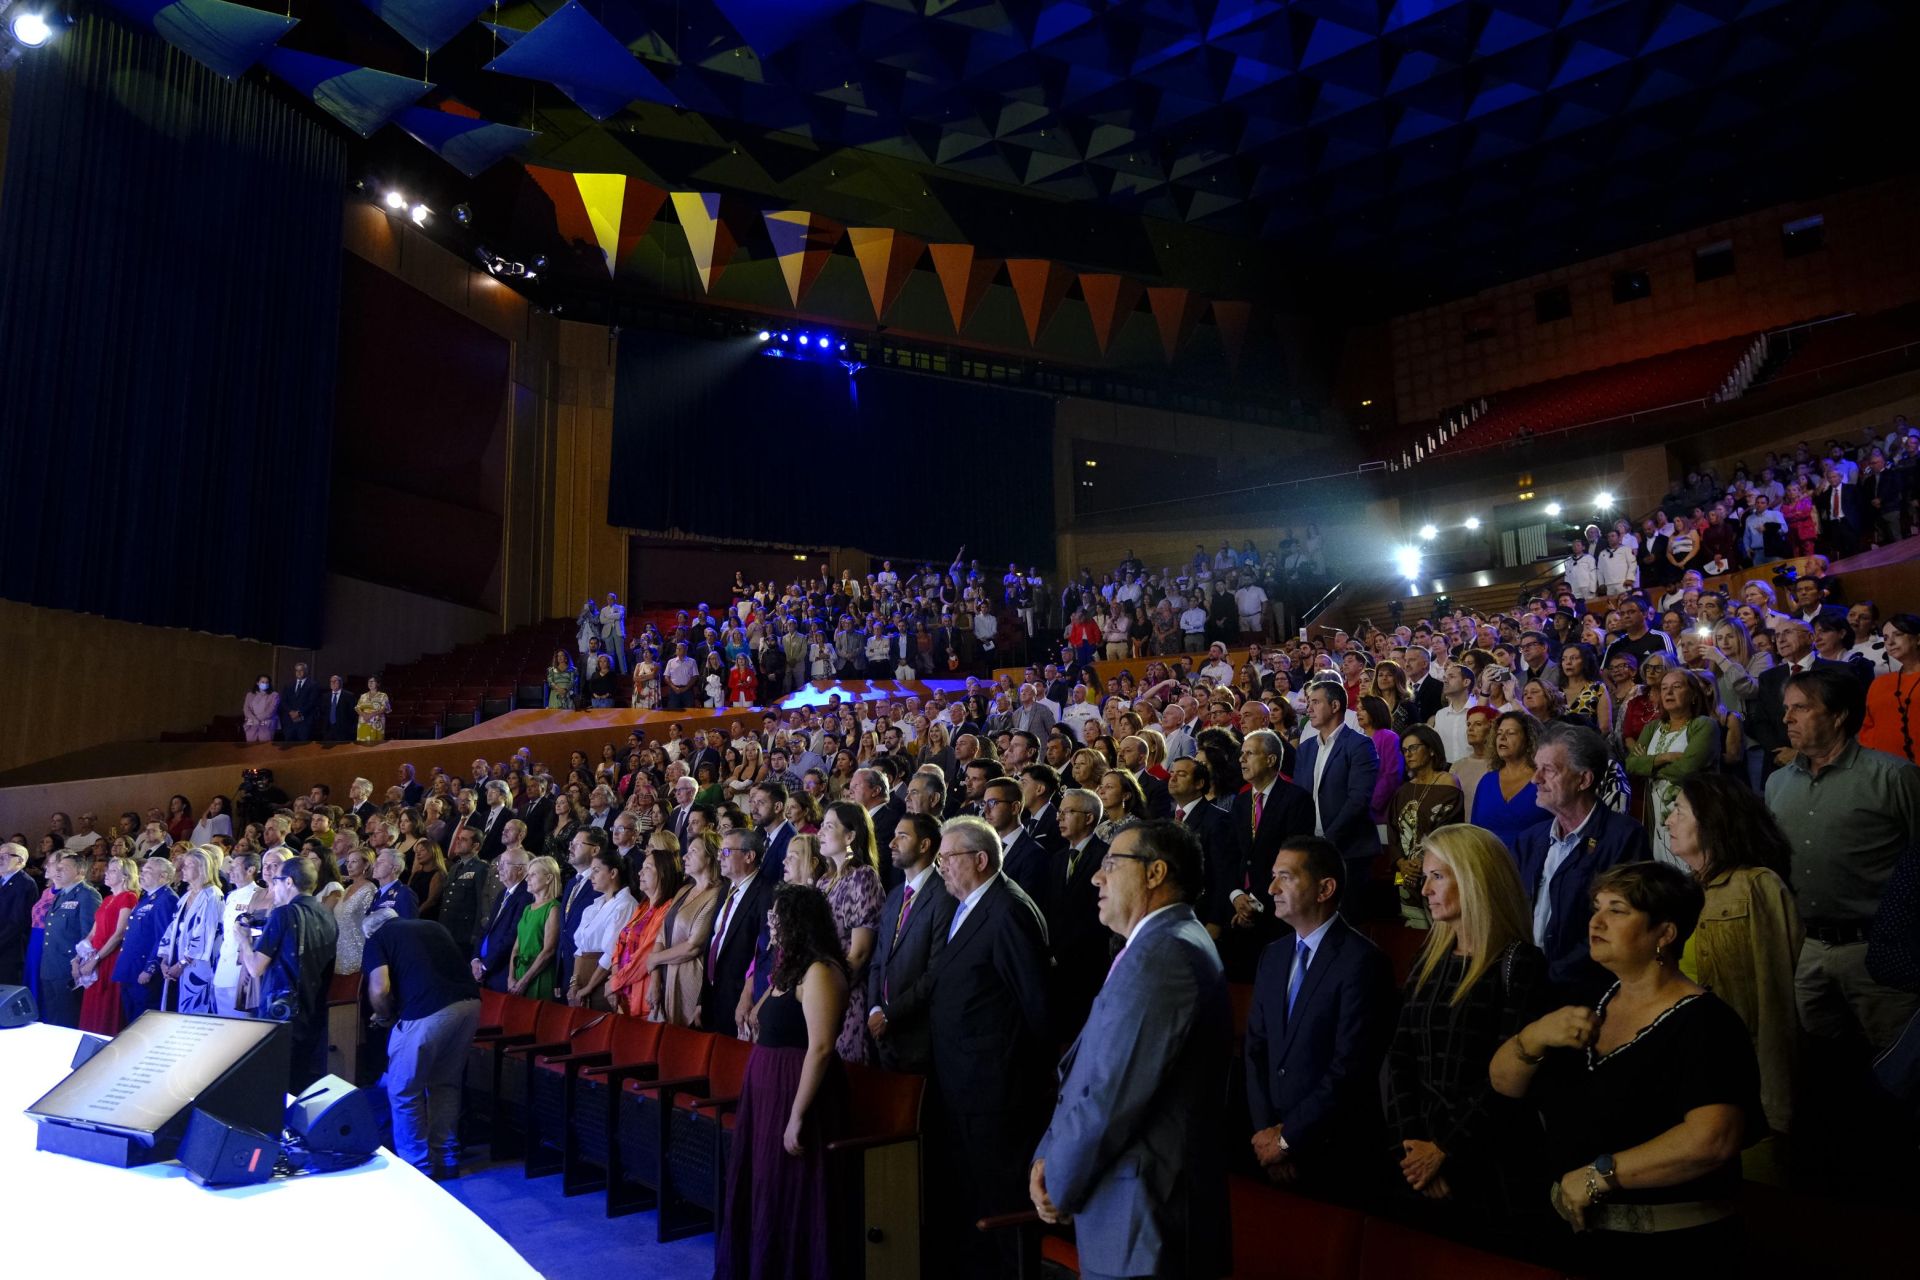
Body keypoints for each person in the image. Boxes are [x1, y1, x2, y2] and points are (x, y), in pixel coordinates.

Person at [1491, 862, 1762, 1274]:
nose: (1596, 921)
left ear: (1665, 934)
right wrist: (1533, 1037)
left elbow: (1713, 1139)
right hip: (1576, 1238)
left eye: (1617, 910)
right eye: (1597, 907)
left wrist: (1598, 1176)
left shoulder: (1706, 1022)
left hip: (1673, 1249)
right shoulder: (1588, 1003)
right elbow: (1504, 1085)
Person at [1027, 819, 1232, 1277]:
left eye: (1111, 864)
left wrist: (1057, 1178)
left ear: (1155, 873)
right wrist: (1048, 1154)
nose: (1098, 877)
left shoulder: (1165, 954)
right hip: (1129, 1209)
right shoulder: (1157, 945)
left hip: (1146, 1218)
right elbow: (1087, 1070)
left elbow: (1110, 1093)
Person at [1382, 825, 1550, 1251]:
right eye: (1427, 876)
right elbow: (1399, 1057)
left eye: (1438, 876)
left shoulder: (1519, 963)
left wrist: (1445, 1152)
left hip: (1487, 1172)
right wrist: (1414, 1149)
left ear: (1475, 879)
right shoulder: (1429, 955)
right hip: (1415, 1167)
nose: (1425, 890)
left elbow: (1507, 1081)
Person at [1766, 665, 1920, 1054]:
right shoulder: (1776, 783)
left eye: (1800, 708)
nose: (1787, 718)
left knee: (1895, 1067)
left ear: (1838, 715)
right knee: (1823, 1067)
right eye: (1786, 708)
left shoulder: (1893, 777)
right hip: (1807, 949)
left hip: (1877, 951)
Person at [926, 815, 1052, 1274]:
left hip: (996, 1091)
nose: (940, 866)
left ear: (980, 860)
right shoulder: (968, 905)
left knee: (999, 1203)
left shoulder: (1008, 910)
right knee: (971, 1198)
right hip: (963, 1082)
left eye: (948, 857)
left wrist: (1017, 1079)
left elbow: (1038, 1006)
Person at [1662, 774, 1803, 1183]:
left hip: (1747, 1090)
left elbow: (1777, 1002)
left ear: (1713, 822)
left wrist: (1777, 1108)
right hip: (1694, 1078)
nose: (1669, 820)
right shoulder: (1687, 892)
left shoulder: (1756, 886)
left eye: (1679, 811)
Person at [1245, 834, 1396, 1203]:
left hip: (1331, 1148)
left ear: (1324, 888)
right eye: (1272, 876)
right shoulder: (1273, 955)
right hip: (1267, 1144)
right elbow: (1255, 1047)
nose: (1271, 888)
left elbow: (1350, 1067)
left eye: (1286, 877)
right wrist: (1267, 1133)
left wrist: (1288, 1139)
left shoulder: (1363, 961)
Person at [715, 884, 851, 1280]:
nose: (771, 924)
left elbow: (822, 1047)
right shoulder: (788, 969)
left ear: (798, 923)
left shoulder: (821, 971)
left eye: (778, 918)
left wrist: (797, 1115)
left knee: (793, 1192)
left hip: (798, 1093)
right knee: (765, 1189)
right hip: (767, 1090)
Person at [1516, 723, 1653, 1001]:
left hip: (1587, 996)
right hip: (1526, 990)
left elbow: (1618, 926)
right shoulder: (1530, 840)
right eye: (1536, 767)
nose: (1535, 779)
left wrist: (1550, 977)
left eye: (1549, 770)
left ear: (1584, 780)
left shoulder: (1623, 837)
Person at [365, 916, 482, 1181]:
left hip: (427, 1012)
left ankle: (416, 1167)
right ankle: (446, 1158)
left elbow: (380, 989)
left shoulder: (377, 938)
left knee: (404, 1089)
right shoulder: (433, 926)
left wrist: (386, 1016)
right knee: (445, 1085)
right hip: (469, 1005)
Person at [865, 812, 956, 1074]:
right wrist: (874, 1007)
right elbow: (879, 959)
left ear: (925, 845)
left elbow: (934, 972)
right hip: (881, 1031)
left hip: (915, 1035)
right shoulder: (895, 896)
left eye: (902, 837)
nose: (892, 843)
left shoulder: (945, 896)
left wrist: (889, 1015)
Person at [244, 856, 340, 1089]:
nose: (273, 887)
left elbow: (255, 967)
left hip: (281, 1010)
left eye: (275, 880)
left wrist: (242, 940)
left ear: (288, 882)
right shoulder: (328, 915)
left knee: (272, 1085)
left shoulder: (283, 914)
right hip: (312, 1010)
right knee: (298, 1081)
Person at [1296, 680, 1383, 908]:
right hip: (1313, 852)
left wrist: (1328, 841)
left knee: (1347, 922)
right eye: (1308, 703)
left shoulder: (1360, 745)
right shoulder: (1305, 749)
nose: (1309, 709)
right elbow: (1299, 799)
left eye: (1315, 702)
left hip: (1349, 852)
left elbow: (1358, 800)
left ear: (1335, 706)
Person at [1628, 669, 1719, 866]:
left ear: (1693, 694)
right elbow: (1631, 765)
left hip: (1692, 814)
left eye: (1677, 687)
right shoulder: (1652, 728)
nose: (1669, 693)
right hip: (1657, 817)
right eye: (1664, 688)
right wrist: (1665, 757)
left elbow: (1687, 770)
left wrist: (1649, 766)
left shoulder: (1704, 725)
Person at [815, 802, 883, 1061]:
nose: (820, 832)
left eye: (829, 826)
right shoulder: (823, 880)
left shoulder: (862, 877)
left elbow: (860, 953)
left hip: (844, 998)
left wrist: (829, 995)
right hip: (819, 992)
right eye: (821, 826)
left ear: (851, 836)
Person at [1386, 725, 1464, 928]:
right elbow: (1392, 830)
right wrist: (1401, 863)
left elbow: (1447, 830)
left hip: (1436, 869)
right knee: (1407, 925)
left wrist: (1421, 863)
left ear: (1431, 749)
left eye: (1413, 748)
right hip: (1403, 871)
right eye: (1404, 750)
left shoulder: (1448, 783)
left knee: (1438, 930)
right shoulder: (1404, 790)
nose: (1408, 754)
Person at [704, 827, 778, 1039]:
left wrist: (748, 995)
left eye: (726, 852)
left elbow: (764, 952)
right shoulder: (725, 890)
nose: (720, 857)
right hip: (713, 994)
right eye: (720, 852)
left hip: (740, 998)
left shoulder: (767, 894)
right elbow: (713, 943)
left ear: (749, 856)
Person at [643, 831, 720, 1024]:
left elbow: (694, 945)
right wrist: (655, 979)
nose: (685, 856)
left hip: (690, 980)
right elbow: (662, 933)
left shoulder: (717, 895)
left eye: (693, 851)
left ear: (711, 857)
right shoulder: (685, 889)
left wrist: (654, 959)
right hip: (666, 978)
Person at [604, 843, 679, 1017]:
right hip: (623, 989)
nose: (640, 872)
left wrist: (615, 983)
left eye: (648, 868)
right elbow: (620, 943)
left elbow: (645, 955)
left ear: (663, 873)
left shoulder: (667, 909)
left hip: (642, 992)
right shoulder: (643, 906)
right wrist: (616, 979)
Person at [156, 846, 223, 1014]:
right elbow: (173, 928)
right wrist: (165, 959)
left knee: (196, 1010)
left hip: (198, 966)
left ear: (201, 867)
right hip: (179, 962)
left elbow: (204, 935)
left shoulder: (212, 896)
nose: (181, 868)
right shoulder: (186, 896)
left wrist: (182, 963)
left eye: (188, 865)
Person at [78, 856, 140, 1035]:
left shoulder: (128, 898)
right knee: (92, 1009)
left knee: (106, 1009)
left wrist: (95, 959)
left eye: (113, 870)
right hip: (95, 958)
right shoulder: (107, 899)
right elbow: (92, 933)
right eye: (108, 869)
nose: (106, 873)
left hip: (110, 959)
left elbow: (119, 934)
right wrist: (79, 957)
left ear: (126, 876)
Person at [114, 857, 179, 1025]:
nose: (141, 874)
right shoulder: (147, 897)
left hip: (144, 971)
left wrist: (150, 968)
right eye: (142, 871)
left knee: (143, 1021)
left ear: (163, 876)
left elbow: (163, 938)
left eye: (148, 871)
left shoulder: (167, 899)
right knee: (130, 1020)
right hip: (131, 969)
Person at [39, 852, 100, 1028]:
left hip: (68, 965)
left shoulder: (87, 895)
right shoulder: (62, 894)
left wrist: (78, 962)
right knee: (51, 1016)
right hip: (50, 964)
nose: (57, 871)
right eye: (56, 868)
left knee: (66, 1018)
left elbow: (89, 934)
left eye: (63, 868)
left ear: (80, 870)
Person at [1473, 712, 1541, 855]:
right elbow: (1475, 831)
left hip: (1533, 865)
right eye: (1499, 734)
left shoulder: (1543, 780)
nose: (1502, 738)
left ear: (1529, 740)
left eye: (1511, 733)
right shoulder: (1487, 781)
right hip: (1488, 864)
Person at [1860, 612, 1920, 765]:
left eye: (1898, 634)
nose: (1890, 642)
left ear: (1918, 638)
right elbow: (1868, 729)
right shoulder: (1879, 684)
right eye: (1885, 637)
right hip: (1887, 771)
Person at [472, 846, 530, 993]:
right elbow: (487, 929)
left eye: (505, 864)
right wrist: (475, 959)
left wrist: (486, 965)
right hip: (485, 967)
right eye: (499, 864)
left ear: (520, 869)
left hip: (500, 970)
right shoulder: (502, 893)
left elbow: (512, 935)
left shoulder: (526, 896)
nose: (499, 868)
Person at [213, 850, 263, 1015]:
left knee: (240, 1019)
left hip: (241, 967)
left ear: (251, 870)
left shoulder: (259, 895)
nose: (229, 871)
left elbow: (257, 933)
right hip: (223, 965)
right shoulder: (231, 896)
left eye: (235, 867)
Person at [508, 854, 563, 1000]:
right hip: (519, 973)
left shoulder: (554, 909)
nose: (527, 879)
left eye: (532, 874)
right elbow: (515, 948)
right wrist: (511, 977)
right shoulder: (527, 909)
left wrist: (524, 981)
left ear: (549, 878)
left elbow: (548, 951)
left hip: (538, 976)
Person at [332, 847, 377, 976]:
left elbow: (370, 925)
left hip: (358, 953)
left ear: (366, 864)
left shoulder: (369, 889)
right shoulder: (348, 888)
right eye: (348, 862)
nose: (349, 866)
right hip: (339, 953)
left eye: (354, 862)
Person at [242, 675, 279, 744]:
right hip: (252, 725)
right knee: (251, 749)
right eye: (262, 682)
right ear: (257, 683)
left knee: (265, 749)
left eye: (267, 682)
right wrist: (254, 719)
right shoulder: (250, 695)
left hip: (266, 725)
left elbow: (271, 710)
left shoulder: (274, 695)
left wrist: (257, 720)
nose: (265, 684)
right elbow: (246, 709)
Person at [355, 676, 391, 745]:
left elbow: (386, 708)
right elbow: (357, 708)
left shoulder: (383, 695)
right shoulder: (363, 696)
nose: (370, 683)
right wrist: (364, 715)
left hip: (377, 723)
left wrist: (371, 715)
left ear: (377, 684)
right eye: (369, 682)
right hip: (364, 722)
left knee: (376, 745)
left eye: (372, 681)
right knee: (363, 746)